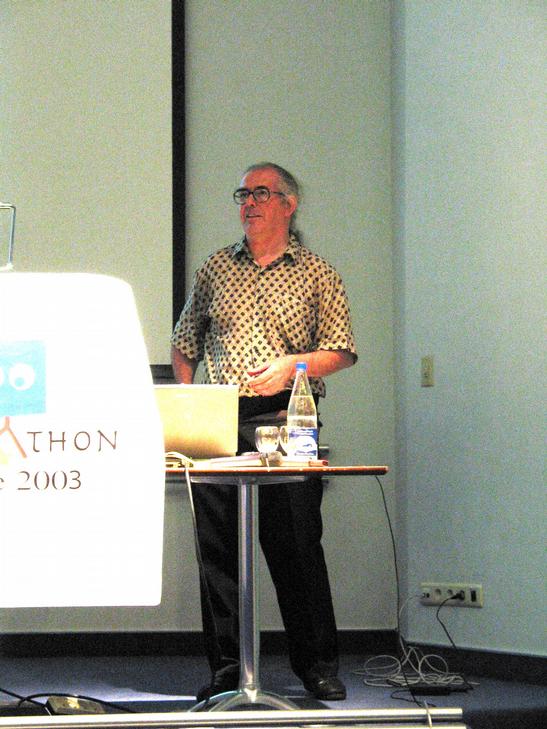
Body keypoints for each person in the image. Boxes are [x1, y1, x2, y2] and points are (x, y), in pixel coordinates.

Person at [171, 162, 357, 702]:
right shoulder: (215, 268)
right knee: (218, 553)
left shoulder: (318, 273)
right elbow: (184, 343)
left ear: (288, 204)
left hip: (286, 418)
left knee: (296, 545)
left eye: (260, 193)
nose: (248, 203)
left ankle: (316, 666)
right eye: (243, 195)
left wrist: (291, 367)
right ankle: (228, 669)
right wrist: (191, 403)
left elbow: (341, 351)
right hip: (218, 419)